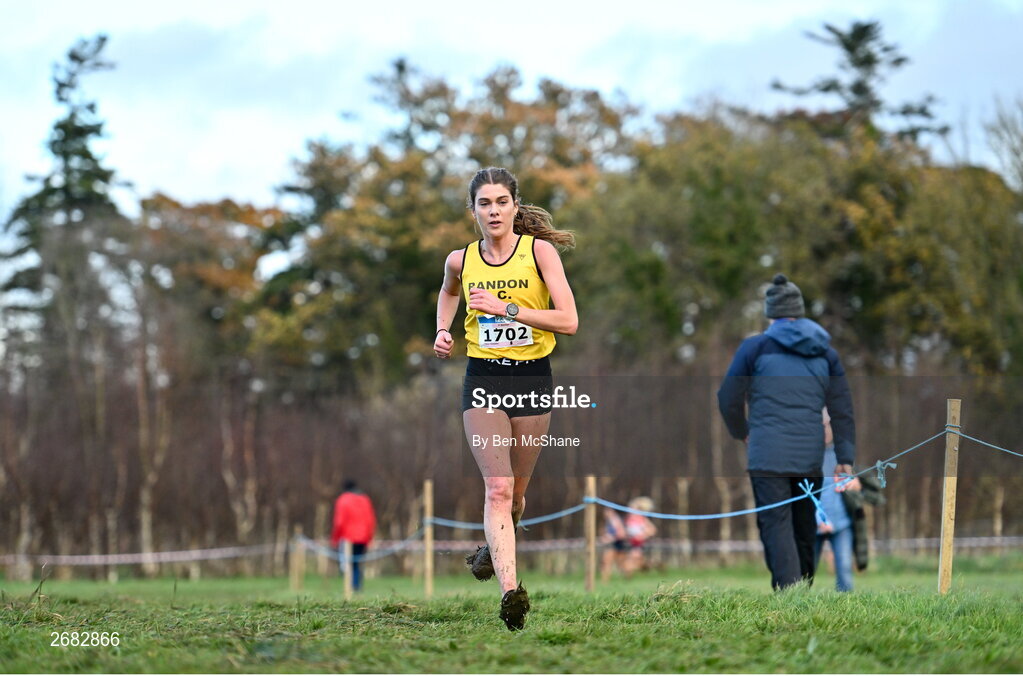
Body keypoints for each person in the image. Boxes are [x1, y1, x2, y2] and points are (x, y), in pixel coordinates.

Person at [433, 167, 578, 631]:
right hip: (484, 379)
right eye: (484, 204)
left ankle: (491, 551)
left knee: (516, 495)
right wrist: (442, 330)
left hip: (533, 378)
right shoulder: (460, 260)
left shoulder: (540, 253)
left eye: (501, 202)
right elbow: (447, 292)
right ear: (473, 210)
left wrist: (508, 308)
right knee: (496, 487)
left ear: (515, 206)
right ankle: (511, 594)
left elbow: (569, 320)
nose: (493, 211)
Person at [717, 274, 855, 591]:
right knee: (804, 522)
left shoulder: (755, 347)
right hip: (810, 455)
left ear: (771, 313)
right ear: (799, 310)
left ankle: (790, 594)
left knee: (775, 523)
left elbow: (727, 397)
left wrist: (742, 431)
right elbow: (842, 408)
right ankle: (802, 589)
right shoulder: (826, 353)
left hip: (767, 454)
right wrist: (845, 457)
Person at [815, 408, 885, 591]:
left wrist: (857, 487)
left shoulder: (844, 457)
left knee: (845, 569)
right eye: (819, 426)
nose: (824, 430)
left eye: (827, 425)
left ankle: (844, 607)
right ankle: (797, 605)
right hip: (813, 525)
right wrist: (817, 521)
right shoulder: (805, 458)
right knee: (804, 572)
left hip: (842, 525)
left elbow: (875, 496)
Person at [330, 480, 377, 592]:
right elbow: (370, 520)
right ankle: (356, 587)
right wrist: (369, 537)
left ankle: (351, 588)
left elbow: (339, 522)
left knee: (348, 564)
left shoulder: (343, 500)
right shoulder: (365, 499)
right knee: (356, 563)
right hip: (363, 536)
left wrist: (335, 538)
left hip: (348, 537)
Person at [623, 496, 657, 577]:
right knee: (631, 562)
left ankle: (629, 576)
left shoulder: (642, 518)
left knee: (631, 561)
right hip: (629, 542)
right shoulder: (628, 519)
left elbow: (652, 530)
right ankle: (647, 565)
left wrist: (642, 536)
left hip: (638, 543)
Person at [600, 507, 628, 582]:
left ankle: (627, 578)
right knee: (606, 562)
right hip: (613, 544)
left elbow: (622, 534)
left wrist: (609, 538)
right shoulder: (608, 521)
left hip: (615, 544)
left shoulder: (615, 520)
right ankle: (605, 581)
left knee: (620, 564)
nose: (604, 514)